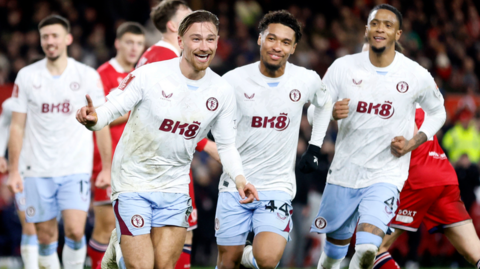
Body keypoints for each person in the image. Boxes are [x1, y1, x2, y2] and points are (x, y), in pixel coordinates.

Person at [77, 10, 259, 269]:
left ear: (217, 43)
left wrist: (240, 179)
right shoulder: (150, 74)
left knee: (164, 266)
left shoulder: (221, 91)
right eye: (196, 39)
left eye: (210, 39)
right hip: (133, 179)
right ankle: (123, 249)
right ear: (181, 41)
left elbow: (227, 145)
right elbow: (112, 107)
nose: (204, 46)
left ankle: (121, 250)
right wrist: (94, 119)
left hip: (174, 185)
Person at [305, 4, 446, 269]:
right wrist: (331, 112)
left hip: (386, 175)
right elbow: (313, 112)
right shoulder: (342, 67)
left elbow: (438, 113)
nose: (380, 28)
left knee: (368, 247)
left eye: (388, 25)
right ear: (367, 29)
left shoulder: (415, 74)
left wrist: (413, 143)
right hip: (345, 173)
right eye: (375, 23)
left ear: (398, 34)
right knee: (333, 254)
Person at [101, 2, 220, 268]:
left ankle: (123, 252)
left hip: (163, 158)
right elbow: (170, 115)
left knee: (168, 242)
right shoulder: (165, 58)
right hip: (162, 162)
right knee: (177, 238)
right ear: (173, 26)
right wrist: (205, 144)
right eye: (187, 16)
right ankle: (123, 254)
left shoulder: (156, 54)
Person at [216, 10, 333, 269]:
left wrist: (314, 146)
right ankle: (242, 256)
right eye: (271, 39)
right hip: (235, 183)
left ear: (293, 48)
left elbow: (324, 105)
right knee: (227, 262)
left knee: (268, 259)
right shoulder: (232, 81)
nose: (277, 46)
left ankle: (251, 256)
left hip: (277, 185)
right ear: (260, 39)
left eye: (285, 42)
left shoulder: (305, 79)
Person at [6, 15, 112, 269]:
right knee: (44, 235)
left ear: (68, 38)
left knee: (76, 231)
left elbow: (101, 123)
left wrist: (107, 167)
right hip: (36, 170)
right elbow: (17, 126)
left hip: (74, 166)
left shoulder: (87, 75)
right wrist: (13, 171)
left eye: (55, 36)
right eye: (45, 37)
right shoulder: (27, 76)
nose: (49, 41)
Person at [371, 106, 480, 269]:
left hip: (419, 178)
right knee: (475, 251)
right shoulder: (422, 95)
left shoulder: (391, 98)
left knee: (371, 248)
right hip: (444, 174)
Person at [86, 22, 146, 269]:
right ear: (117, 43)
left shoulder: (141, 76)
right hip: (107, 161)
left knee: (131, 228)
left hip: (136, 162)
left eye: (139, 44)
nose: (134, 48)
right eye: (129, 42)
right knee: (105, 227)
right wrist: (138, 109)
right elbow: (99, 116)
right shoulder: (102, 74)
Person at [0, 98, 38, 269]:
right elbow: (3, 124)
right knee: (30, 226)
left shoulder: (55, 98)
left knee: (47, 230)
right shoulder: (11, 105)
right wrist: (1, 154)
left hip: (53, 172)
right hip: (23, 173)